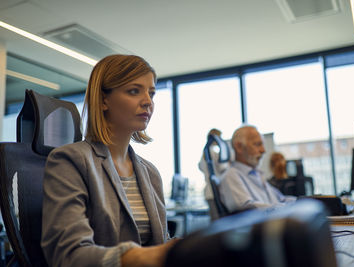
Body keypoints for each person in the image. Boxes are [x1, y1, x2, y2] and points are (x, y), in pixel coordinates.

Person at [41, 55, 178, 267]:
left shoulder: (150, 172)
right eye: (134, 91)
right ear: (104, 100)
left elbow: (160, 243)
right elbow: (69, 255)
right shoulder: (70, 161)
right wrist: (144, 257)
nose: (148, 101)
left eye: (151, 93)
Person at [219, 125, 296, 213]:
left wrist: (304, 201)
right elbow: (246, 209)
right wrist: (284, 208)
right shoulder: (231, 176)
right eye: (257, 144)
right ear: (239, 147)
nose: (263, 150)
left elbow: (281, 199)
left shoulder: (256, 174)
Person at [198, 128, 230, 219]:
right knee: (218, 220)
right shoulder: (214, 153)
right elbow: (223, 168)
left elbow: (201, 168)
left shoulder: (205, 153)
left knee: (215, 219)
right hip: (214, 192)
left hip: (209, 192)